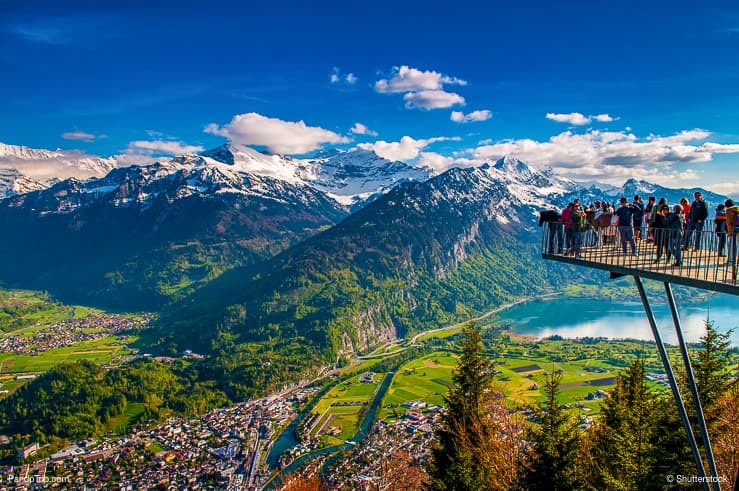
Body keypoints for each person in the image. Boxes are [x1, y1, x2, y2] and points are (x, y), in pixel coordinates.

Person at [726, 199, 739, 265]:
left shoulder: (728, 210)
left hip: (733, 229)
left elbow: (729, 222)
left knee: (731, 245)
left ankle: (730, 261)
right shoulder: (738, 209)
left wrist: (729, 232)